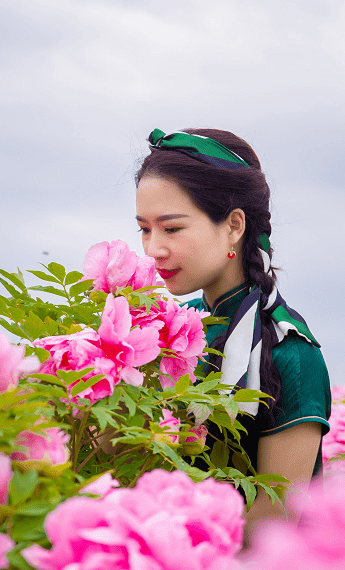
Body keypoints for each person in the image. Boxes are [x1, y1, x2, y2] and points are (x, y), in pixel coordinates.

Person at [135, 128, 331, 531]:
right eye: (144, 228)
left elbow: (273, 519)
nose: (153, 249)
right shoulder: (163, 332)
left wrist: (163, 557)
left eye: (171, 229)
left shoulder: (290, 352)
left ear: (234, 226)